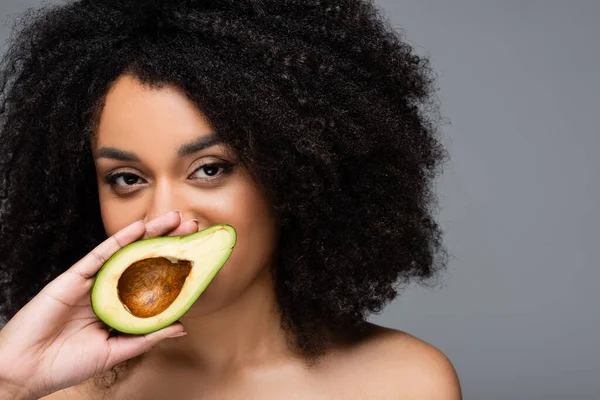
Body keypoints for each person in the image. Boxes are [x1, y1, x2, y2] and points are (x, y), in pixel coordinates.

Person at [0, 0, 461, 398]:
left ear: (293, 175)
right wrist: (10, 385)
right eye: (126, 178)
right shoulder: (53, 390)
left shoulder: (405, 384)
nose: (165, 215)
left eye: (210, 169)